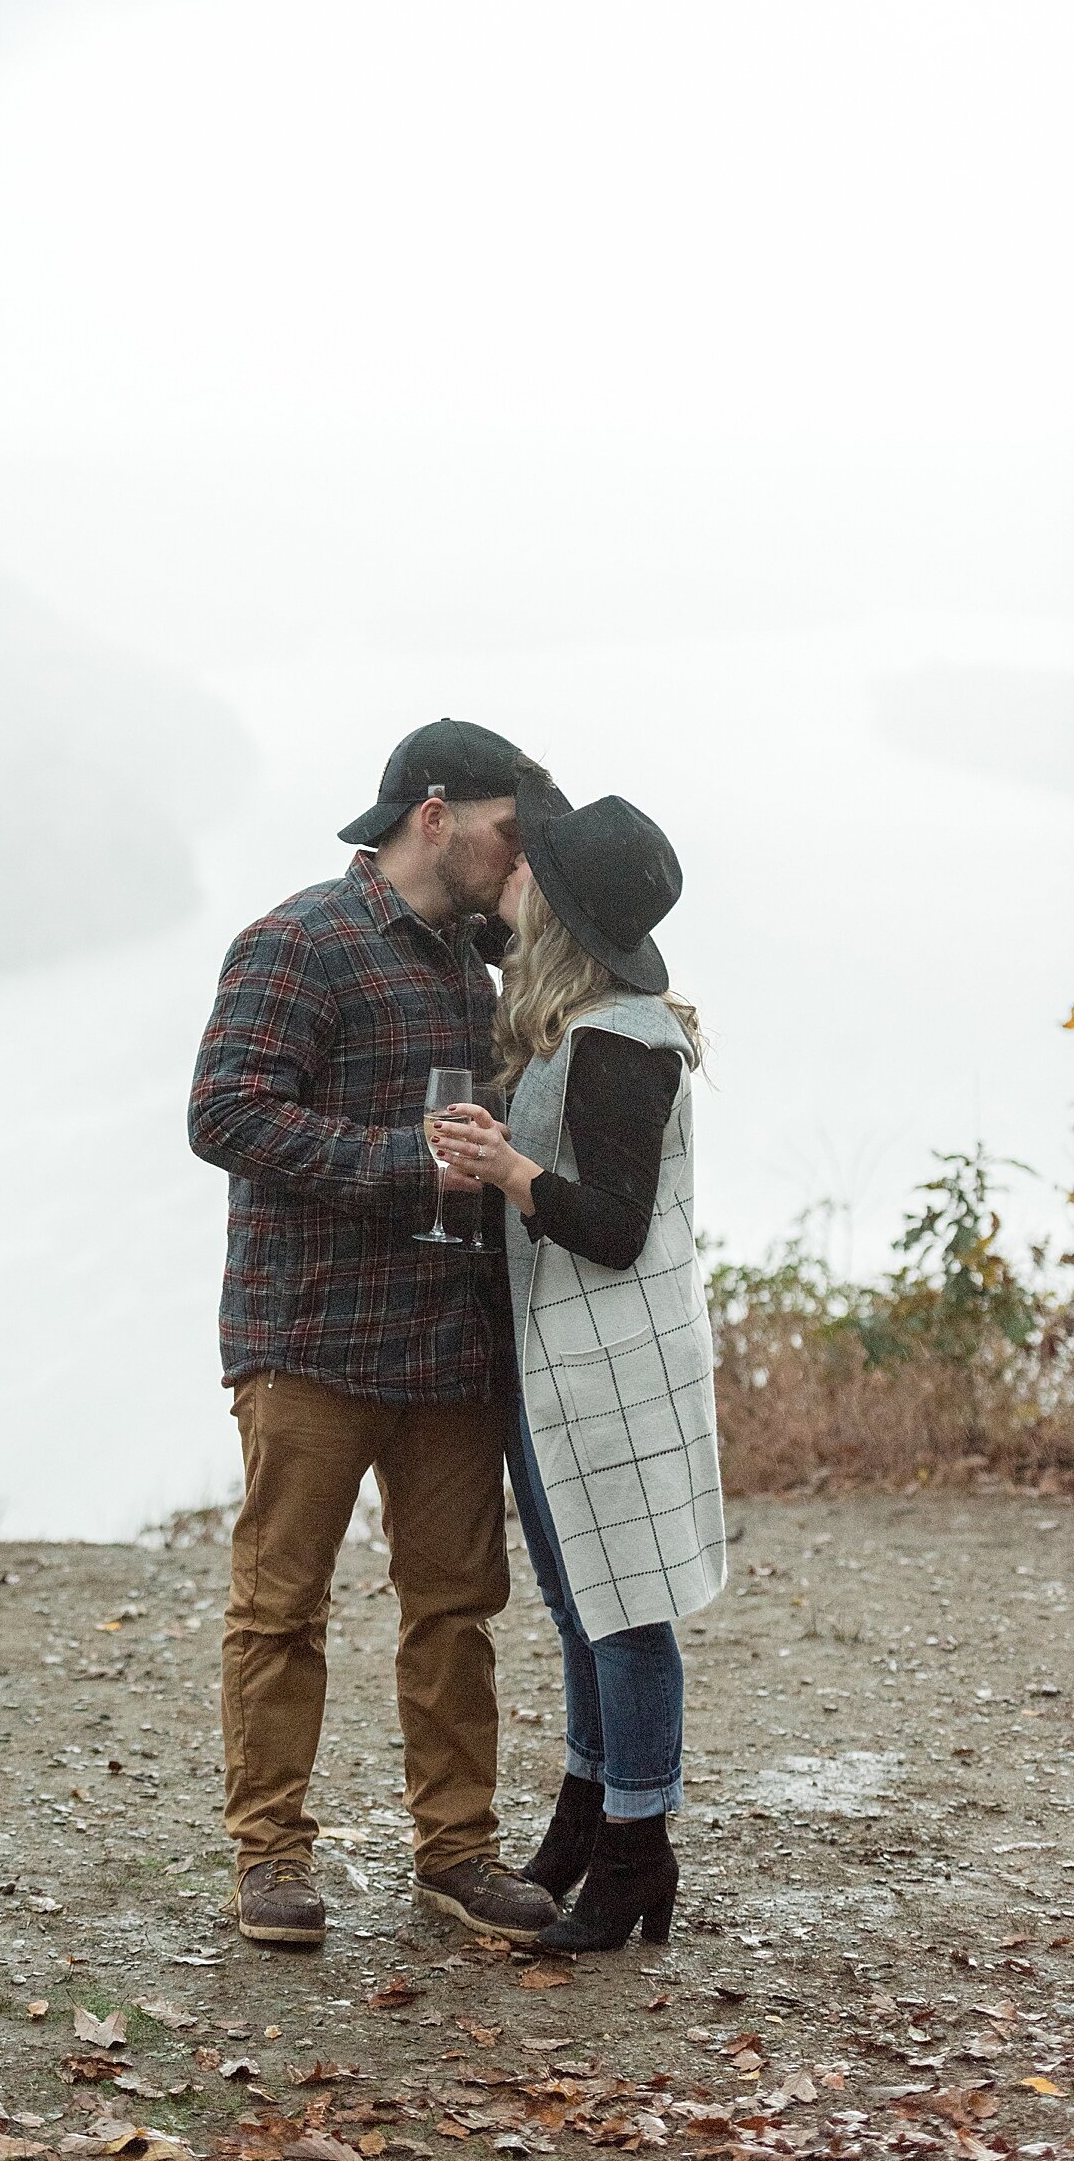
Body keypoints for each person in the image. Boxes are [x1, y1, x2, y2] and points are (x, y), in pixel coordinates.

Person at [188, 719, 560, 1950]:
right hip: (309, 1338)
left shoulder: (484, 966)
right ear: (435, 813)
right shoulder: (299, 940)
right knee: (280, 1606)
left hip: (452, 1345)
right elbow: (226, 1113)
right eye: (511, 833)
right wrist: (410, 1165)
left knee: (456, 1608)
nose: (522, 860)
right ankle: (271, 1861)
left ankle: (457, 1851)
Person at [432, 777, 726, 1953]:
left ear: (554, 907)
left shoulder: (622, 1042)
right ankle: (588, 1811)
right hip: (559, 1364)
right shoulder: (577, 1024)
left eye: (524, 868)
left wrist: (507, 1172)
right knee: (579, 1606)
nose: (508, 871)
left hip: (613, 1376)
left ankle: (636, 1853)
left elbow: (612, 1224)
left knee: (626, 1614)